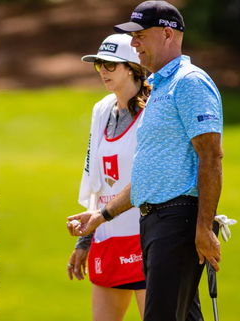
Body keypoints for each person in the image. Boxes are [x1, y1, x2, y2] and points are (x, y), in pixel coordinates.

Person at [68, 0, 223, 321]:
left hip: (177, 219)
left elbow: (210, 155)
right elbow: (148, 176)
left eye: (140, 34)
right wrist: (102, 215)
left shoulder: (189, 81)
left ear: (168, 34)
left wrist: (205, 227)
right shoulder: (159, 87)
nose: (134, 42)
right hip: (153, 220)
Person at [68, 34, 150, 321]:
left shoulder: (153, 111)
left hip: (145, 240)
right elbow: (94, 177)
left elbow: (151, 178)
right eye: (99, 64)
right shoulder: (101, 109)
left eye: (111, 65)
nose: (103, 70)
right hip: (107, 236)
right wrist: (85, 240)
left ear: (132, 67)